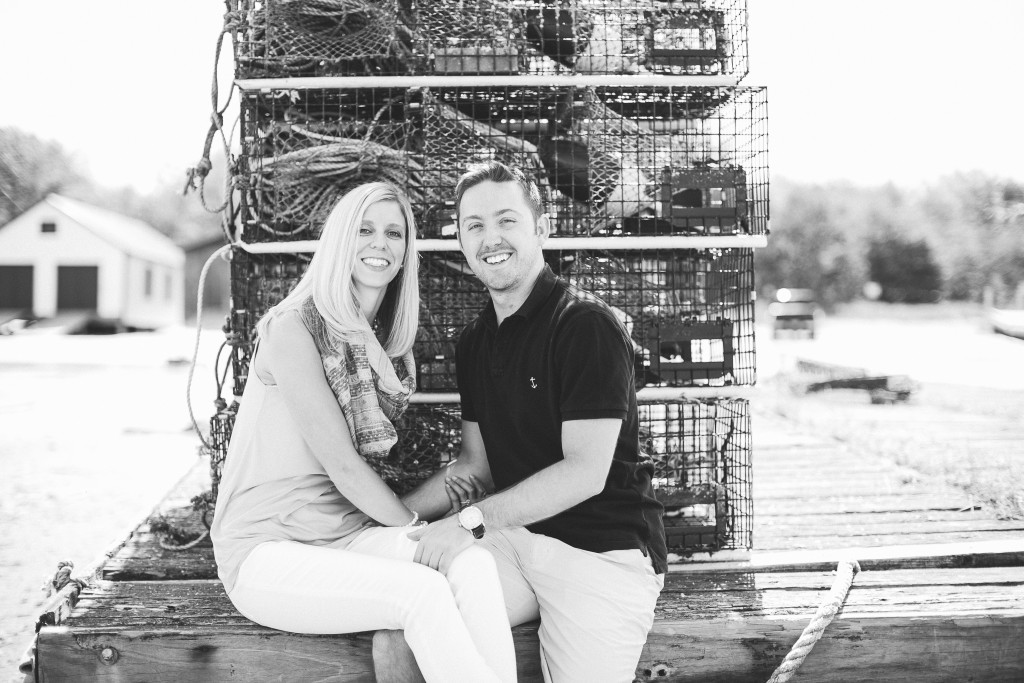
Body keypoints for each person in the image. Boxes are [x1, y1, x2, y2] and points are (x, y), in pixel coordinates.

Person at [210, 182, 516, 683]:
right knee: (423, 589)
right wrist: (413, 531)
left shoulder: (383, 347)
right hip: (266, 552)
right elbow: (345, 467)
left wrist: (430, 529)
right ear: (339, 241)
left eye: (394, 233)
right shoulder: (292, 328)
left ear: (404, 252)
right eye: (365, 230)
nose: (380, 244)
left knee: (471, 562)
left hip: (345, 538)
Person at [379, 162, 667, 682]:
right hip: (514, 541)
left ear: (542, 227)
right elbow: (475, 467)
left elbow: (585, 471)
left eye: (506, 220)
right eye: (474, 225)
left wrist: (468, 524)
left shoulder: (586, 326)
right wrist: (388, 517)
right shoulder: (475, 340)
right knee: (405, 631)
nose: (491, 238)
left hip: (601, 555)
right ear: (460, 241)